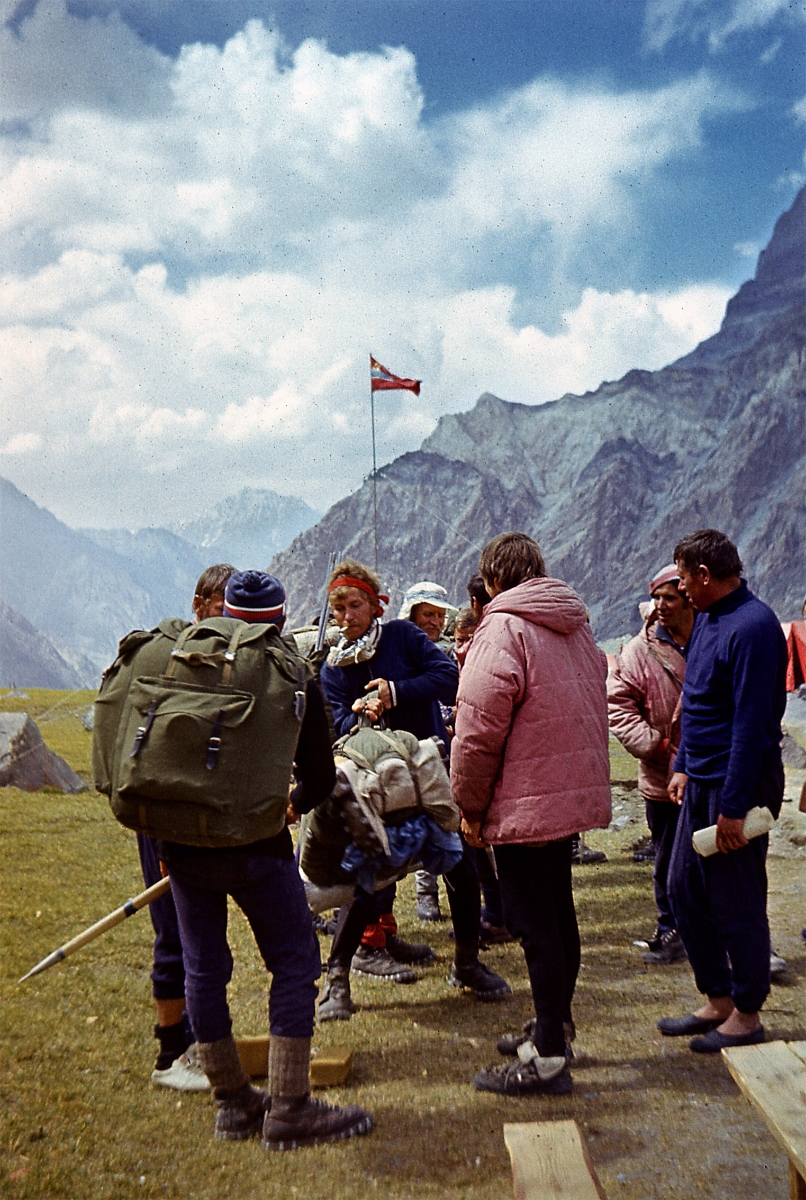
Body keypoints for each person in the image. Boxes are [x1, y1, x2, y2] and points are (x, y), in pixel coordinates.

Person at [157, 571, 372, 1148]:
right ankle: (290, 1107)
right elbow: (322, 776)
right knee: (295, 963)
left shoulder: (184, 659)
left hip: (185, 845)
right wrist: (292, 806)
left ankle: (231, 1103)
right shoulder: (292, 671)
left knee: (204, 968)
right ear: (280, 619)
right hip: (257, 846)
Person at [452, 533, 611, 1096]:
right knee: (558, 916)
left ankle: (546, 1059)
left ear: (492, 580)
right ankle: (555, 1026)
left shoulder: (502, 627)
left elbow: (476, 730)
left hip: (522, 802)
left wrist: (469, 805)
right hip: (563, 797)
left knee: (533, 926)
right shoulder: (574, 625)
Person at [316, 560, 510, 1019]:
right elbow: (337, 726)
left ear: (376, 603)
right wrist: (363, 714)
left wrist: (395, 692)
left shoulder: (403, 638)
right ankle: (337, 981)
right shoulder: (333, 667)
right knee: (365, 880)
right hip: (377, 789)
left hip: (427, 779)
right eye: (339, 607)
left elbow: (449, 677)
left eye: (355, 604)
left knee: (460, 872)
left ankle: (466, 964)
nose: (347, 615)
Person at [657, 530, 787, 1053]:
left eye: (684, 577)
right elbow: (697, 702)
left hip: (740, 785)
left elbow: (752, 727)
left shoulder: (754, 628)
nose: (682, 588)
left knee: (737, 901)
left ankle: (749, 1012)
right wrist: (683, 765)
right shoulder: (710, 618)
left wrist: (734, 808)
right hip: (703, 781)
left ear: (705, 576)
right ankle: (718, 998)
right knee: (684, 889)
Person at [146, 563, 235, 1092]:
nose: (228, 620)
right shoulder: (176, 660)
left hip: (196, 815)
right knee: (175, 933)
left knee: (204, 939)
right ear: (200, 602)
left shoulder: (219, 659)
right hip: (163, 815)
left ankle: (202, 1044)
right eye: (222, 607)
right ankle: (169, 1056)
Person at [607, 564, 693, 965]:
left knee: (719, 857)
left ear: (689, 599)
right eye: (656, 597)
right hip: (662, 775)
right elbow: (619, 707)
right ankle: (670, 929)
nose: (660, 606)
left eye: (670, 598)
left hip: (711, 772)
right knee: (667, 857)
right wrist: (658, 746)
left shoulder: (712, 638)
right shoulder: (638, 650)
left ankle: (726, 936)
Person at [398, 580, 453, 921]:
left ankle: (438, 897)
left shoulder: (440, 653)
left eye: (439, 615)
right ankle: (424, 895)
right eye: (427, 614)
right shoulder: (401, 653)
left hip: (437, 747)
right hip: (405, 750)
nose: (434, 621)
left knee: (442, 819)